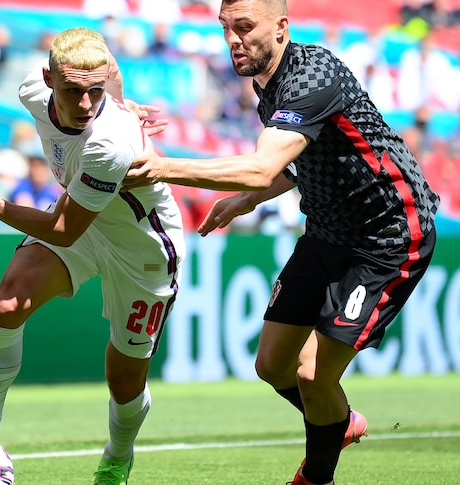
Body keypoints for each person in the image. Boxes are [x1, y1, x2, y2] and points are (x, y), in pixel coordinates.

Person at [124, 1, 441, 484]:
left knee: (314, 375)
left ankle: (316, 476)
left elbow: (262, 165)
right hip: (327, 232)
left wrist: (164, 166)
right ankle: (340, 421)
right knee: (273, 365)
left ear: (281, 28)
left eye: (245, 28)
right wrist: (247, 200)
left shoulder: (314, 75)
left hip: (388, 234)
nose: (233, 39)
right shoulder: (266, 85)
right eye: (226, 28)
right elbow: (298, 161)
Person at [0, 27, 183, 485]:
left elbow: (62, 230)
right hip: (84, 221)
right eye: (74, 90)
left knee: (124, 380)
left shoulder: (109, 142)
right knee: (8, 303)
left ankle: (118, 456)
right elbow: (104, 65)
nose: (88, 104)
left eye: (96, 93)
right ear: (48, 78)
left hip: (143, 247)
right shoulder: (31, 91)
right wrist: (115, 93)